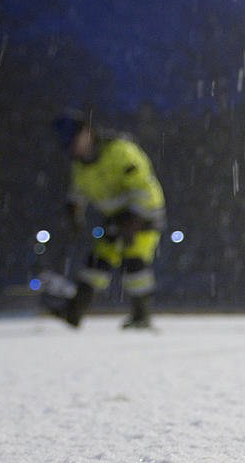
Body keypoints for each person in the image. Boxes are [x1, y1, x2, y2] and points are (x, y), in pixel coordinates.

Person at [46, 110, 166, 328]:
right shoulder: (81, 165)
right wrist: (74, 210)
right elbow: (79, 191)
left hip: (145, 215)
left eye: (75, 140)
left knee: (134, 261)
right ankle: (75, 311)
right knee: (98, 261)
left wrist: (136, 219)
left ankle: (142, 315)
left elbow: (143, 187)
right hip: (116, 218)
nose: (74, 148)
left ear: (88, 133)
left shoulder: (121, 150)